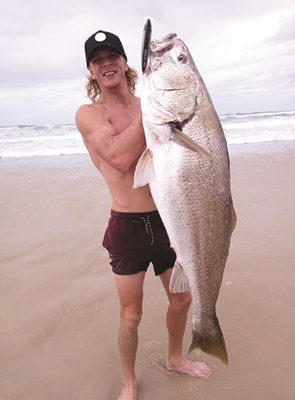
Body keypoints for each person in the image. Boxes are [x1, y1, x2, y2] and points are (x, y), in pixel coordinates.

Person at [75, 29, 212, 400]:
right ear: (91, 71)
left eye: (112, 57)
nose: (106, 64)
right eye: (98, 60)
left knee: (182, 300)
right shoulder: (90, 114)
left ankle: (174, 358)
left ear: (124, 62)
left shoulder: (151, 101)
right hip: (127, 227)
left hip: (168, 220)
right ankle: (129, 381)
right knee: (131, 315)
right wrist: (154, 108)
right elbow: (119, 158)